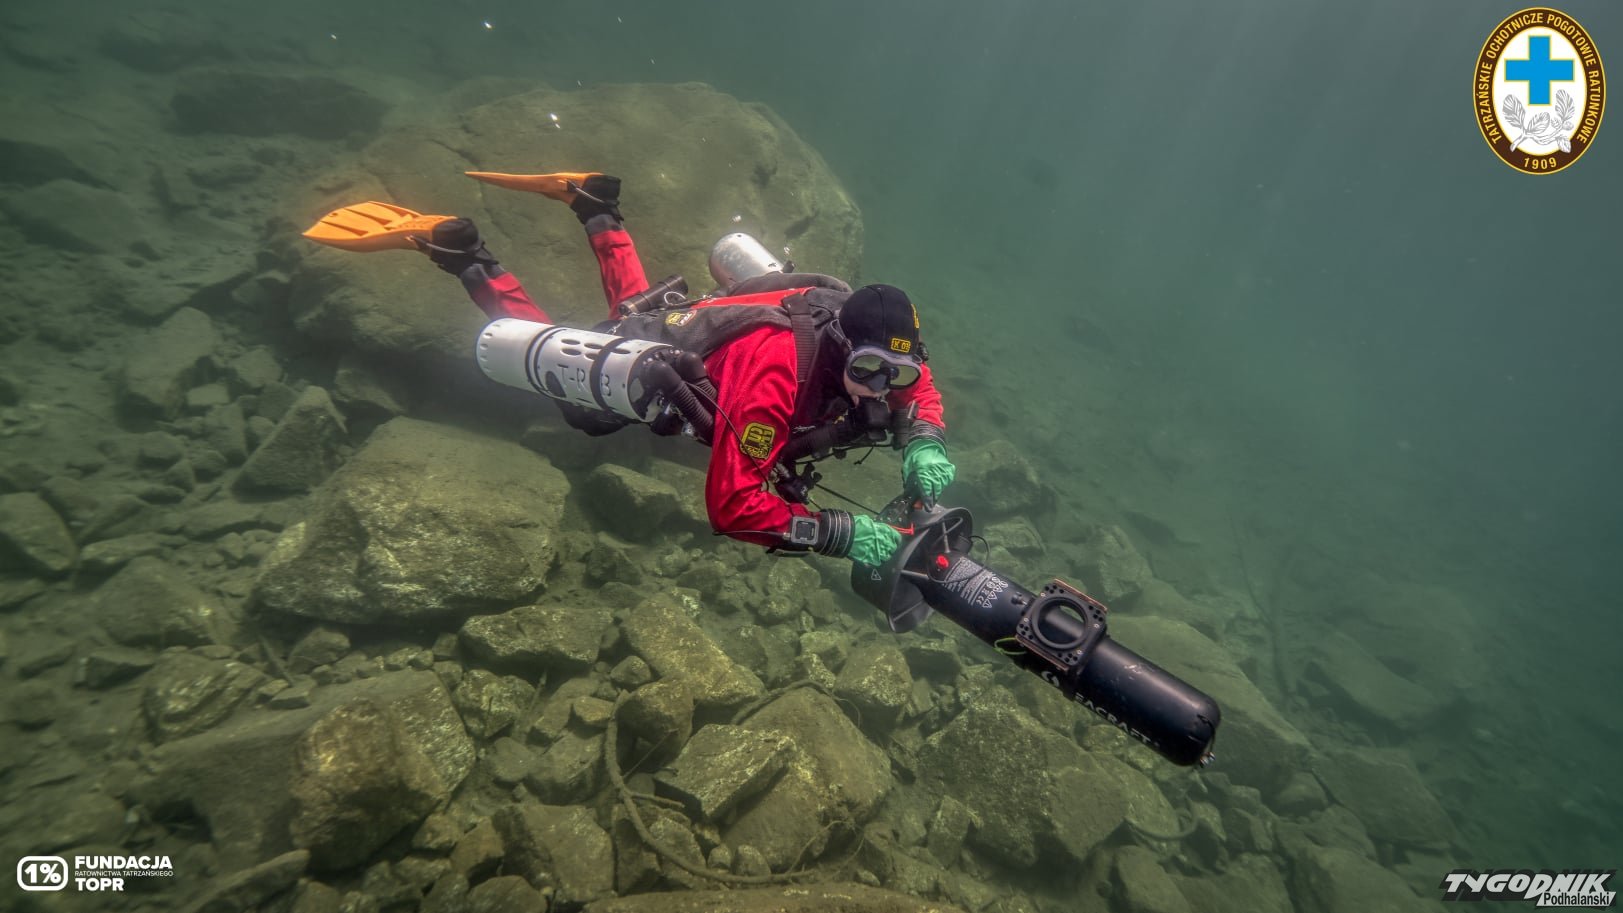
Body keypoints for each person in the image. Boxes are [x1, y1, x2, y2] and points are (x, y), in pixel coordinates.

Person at [345, 174, 955, 568]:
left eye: (895, 374)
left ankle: (597, 208)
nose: (881, 389)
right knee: (585, 409)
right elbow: (733, 506)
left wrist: (925, 437)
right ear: (843, 345)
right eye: (869, 370)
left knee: (634, 319)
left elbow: (919, 385)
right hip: (684, 350)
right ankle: (464, 255)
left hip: (709, 321)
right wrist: (836, 533)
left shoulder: (882, 351)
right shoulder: (775, 382)